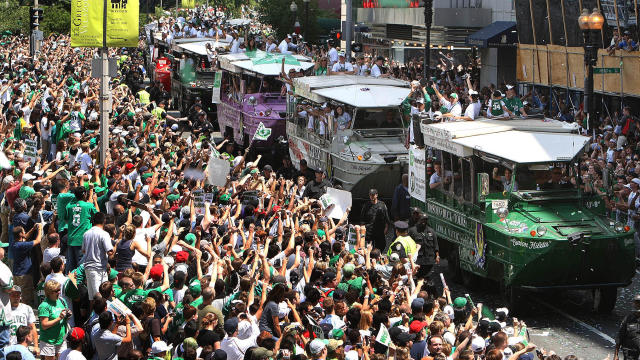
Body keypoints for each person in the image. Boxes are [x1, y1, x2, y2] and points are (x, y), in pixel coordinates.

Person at [81, 212, 114, 302]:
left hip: (88, 267)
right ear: (104, 221)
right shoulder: (104, 234)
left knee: (92, 298)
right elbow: (110, 251)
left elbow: (83, 250)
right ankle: (99, 315)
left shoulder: (86, 233)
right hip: (98, 268)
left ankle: (93, 315)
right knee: (100, 297)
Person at [38, 280, 70, 360]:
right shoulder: (44, 306)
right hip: (48, 341)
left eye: (59, 289)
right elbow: (44, 325)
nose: (59, 292)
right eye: (56, 291)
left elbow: (66, 317)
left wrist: (68, 315)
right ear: (49, 292)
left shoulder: (62, 301)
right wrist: (59, 318)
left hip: (61, 339)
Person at [7, 286, 37, 350]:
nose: (16, 297)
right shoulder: (4, 309)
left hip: (23, 345)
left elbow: (32, 327)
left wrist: (36, 346)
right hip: (8, 345)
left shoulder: (27, 308)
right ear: (8, 296)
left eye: (18, 295)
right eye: (13, 295)